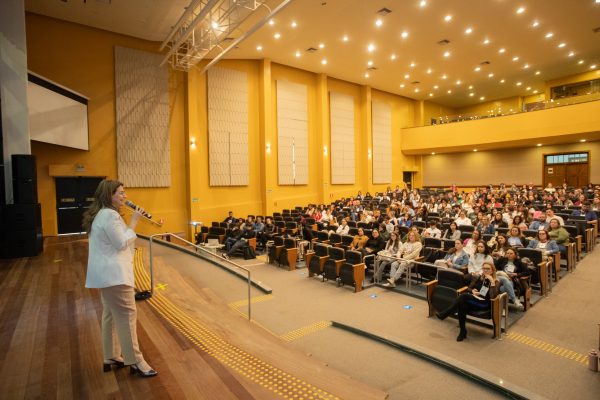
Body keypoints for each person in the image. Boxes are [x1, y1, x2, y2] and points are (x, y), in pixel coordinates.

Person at [83, 180, 158, 377]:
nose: (125, 196)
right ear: (109, 195)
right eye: (121, 193)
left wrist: (130, 223)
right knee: (127, 316)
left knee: (109, 314)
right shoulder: (110, 215)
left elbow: (117, 239)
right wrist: (134, 221)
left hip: (105, 276)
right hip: (115, 276)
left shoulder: (102, 214)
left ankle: (111, 356)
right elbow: (121, 243)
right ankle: (136, 362)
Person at [435, 262, 499, 342]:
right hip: (475, 299)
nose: (485, 270)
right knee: (463, 305)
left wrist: (492, 282)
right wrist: (472, 291)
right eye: (484, 268)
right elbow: (467, 288)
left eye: (488, 269)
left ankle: (444, 313)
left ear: (492, 270)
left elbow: (493, 296)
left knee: (463, 296)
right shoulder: (478, 278)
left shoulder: (496, 282)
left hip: (484, 304)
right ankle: (462, 331)